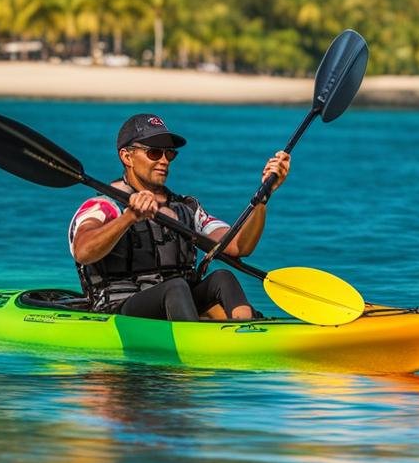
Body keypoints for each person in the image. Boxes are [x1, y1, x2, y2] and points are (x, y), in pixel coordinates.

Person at [68, 113, 290, 321]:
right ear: (127, 156)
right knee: (176, 287)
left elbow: (238, 247)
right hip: (120, 310)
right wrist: (129, 218)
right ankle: (192, 352)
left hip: (180, 305)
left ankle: (244, 331)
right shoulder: (104, 206)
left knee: (223, 277)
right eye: (154, 152)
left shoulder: (187, 208)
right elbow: (83, 251)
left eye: (169, 153)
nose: (164, 160)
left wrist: (263, 196)